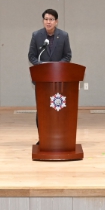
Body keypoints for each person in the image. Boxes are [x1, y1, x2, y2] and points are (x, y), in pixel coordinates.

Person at [28, 9, 72, 145]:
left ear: (56, 21)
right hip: (42, 79)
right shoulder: (36, 35)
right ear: (43, 21)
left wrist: (56, 67)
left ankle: (60, 137)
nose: (48, 22)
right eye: (46, 19)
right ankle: (43, 138)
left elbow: (68, 56)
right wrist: (41, 66)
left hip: (59, 80)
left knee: (58, 108)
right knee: (42, 110)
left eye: (51, 19)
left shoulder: (63, 35)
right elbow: (31, 56)